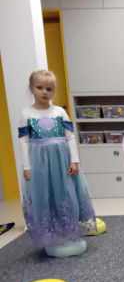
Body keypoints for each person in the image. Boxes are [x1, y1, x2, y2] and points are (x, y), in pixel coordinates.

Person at [18, 70, 96, 250]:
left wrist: (74, 160)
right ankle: (50, 234)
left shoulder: (60, 112)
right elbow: (23, 141)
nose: (45, 92)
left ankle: (68, 230)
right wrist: (26, 166)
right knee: (45, 195)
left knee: (66, 193)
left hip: (62, 161)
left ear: (54, 90)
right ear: (31, 88)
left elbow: (70, 136)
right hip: (39, 163)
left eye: (49, 89)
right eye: (40, 87)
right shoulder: (26, 114)